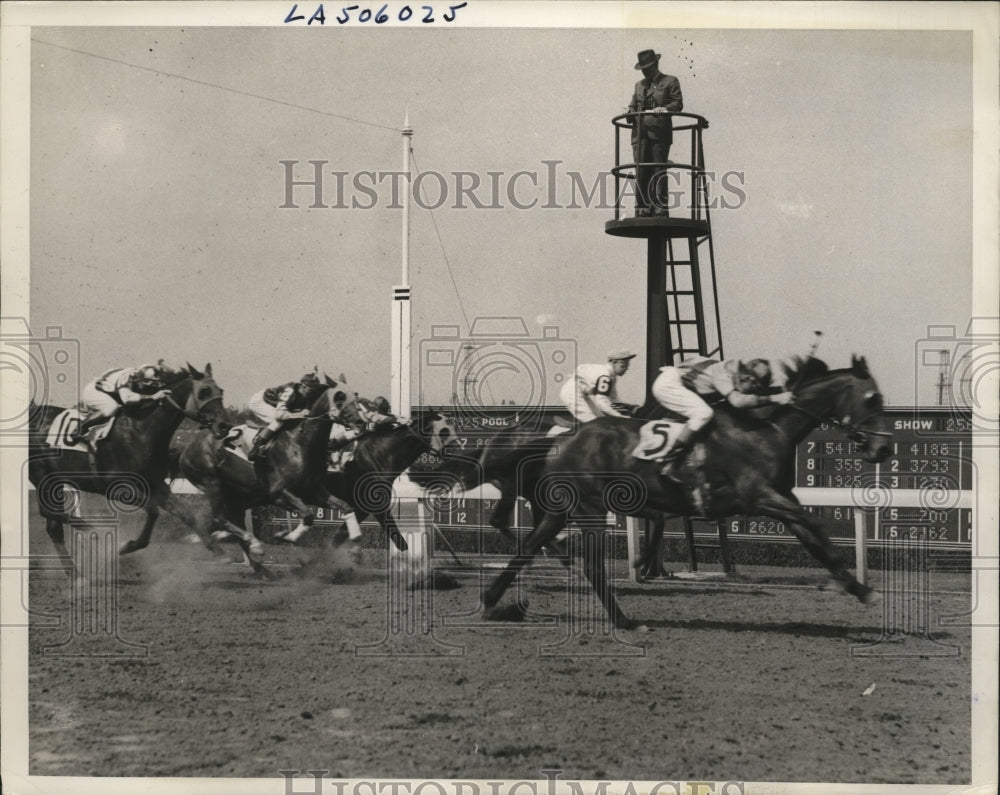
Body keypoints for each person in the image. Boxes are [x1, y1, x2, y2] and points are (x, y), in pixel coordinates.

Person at [651, 356, 795, 479]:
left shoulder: (736, 372)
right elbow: (738, 401)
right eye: (754, 385)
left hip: (677, 383)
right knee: (704, 413)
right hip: (668, 385)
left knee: (710, 416)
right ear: (748, 377)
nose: (751, 391)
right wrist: (775, 398)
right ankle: (666, 462)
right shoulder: (724, 371)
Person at [628, 49, 683, 217]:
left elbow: (678, 103)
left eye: (648, 67)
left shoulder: (670, 81)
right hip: (639, 134)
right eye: (643, 68)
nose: (645, 71)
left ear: (656, 65)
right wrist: (630, 113)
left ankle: (660, 205)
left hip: (659, 133)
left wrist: (664, 109)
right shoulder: (639, 85)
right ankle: (642, 206)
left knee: (659, 169)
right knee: (641, 170)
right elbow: (632, 104)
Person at [67, 363, 171, 445]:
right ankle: (78, 430)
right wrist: (152, 397)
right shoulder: (128, 379)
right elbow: (127, 399)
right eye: (149, 383)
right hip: (94, 391)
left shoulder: (136, 375)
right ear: (139, 379)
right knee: (112, 407)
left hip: (107, 391)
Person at [246, 372, 322, 461]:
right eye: (312, 391)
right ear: (303, 387)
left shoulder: (307, 391)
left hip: (276, 403)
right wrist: (298, 414)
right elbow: (279, 415)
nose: (313, 394)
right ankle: (255, 450)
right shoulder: (289, 391)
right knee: (279, 422)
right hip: (260, 401)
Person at [559, 349, 637, 424]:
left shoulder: (612, 377)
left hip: (581, 394)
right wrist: (620, 417)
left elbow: (614, 400)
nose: (626, 368)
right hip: (571, 393)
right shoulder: (605, 376)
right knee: (594, 423)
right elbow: (601, 403)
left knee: (601, 420)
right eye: (623, 364)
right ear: (614, 362)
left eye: (628, 364)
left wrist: (631, 408)